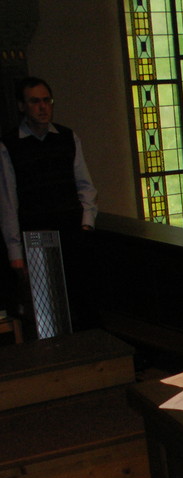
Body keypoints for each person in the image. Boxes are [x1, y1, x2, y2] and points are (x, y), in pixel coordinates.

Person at [0, 76, 98, 318]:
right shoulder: (9, 145)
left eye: (47, 101)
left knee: (81, 304)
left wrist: (86, 223)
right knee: (47, 310)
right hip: (35, 235)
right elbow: (8, 203)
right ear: (22, 106)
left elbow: (85, 185)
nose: (43, 107)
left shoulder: (67, 137)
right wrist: (15, 254)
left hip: (71, 231)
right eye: (35, 102)